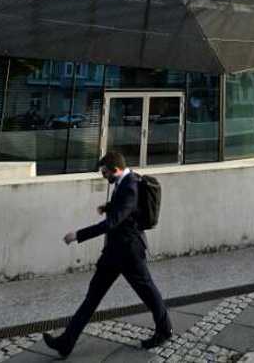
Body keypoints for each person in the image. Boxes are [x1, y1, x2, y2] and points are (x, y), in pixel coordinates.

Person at [42, 151, 173, 357]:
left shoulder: (130, 185)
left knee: (148, 291)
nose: (103, 176)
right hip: (114, 252)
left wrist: (78, 235)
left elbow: (113, 222)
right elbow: (125, 208)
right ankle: (65, 343)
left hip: (129, 252)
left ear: (116, 170)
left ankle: (165, 330)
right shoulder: (126, 181)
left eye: (104, 173)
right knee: (92, 296)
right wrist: (108, 206)